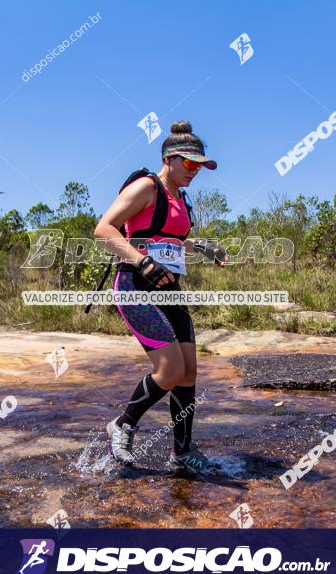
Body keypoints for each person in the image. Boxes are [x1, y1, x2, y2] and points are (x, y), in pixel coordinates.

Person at [94, 121, 226, 474]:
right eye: (191, 164)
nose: (196, 172)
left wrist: (201, 246)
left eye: (201, 166)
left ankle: (182, 452)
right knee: (169, 370)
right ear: (170, 158)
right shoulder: (146, 187)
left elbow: (166, 239)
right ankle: (123, 424)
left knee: (189, 372)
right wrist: (142, 261)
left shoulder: (181, 198)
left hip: (169, 290)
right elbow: (104, 229)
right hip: (135, 285)